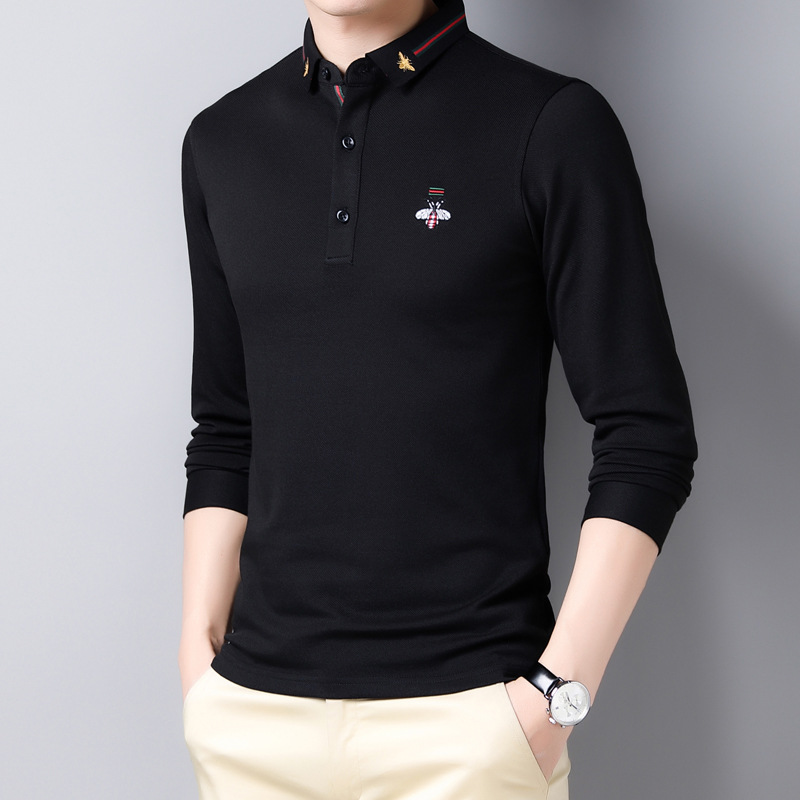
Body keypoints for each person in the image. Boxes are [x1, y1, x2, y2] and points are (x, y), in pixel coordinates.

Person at [177, 1, 698, 798]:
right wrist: (199, 662)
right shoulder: (222, 140)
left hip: (469, 728)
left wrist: (554, 696)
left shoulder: (551, 124)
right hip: (253, 724)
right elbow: (226, 426)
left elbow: (646, 433)